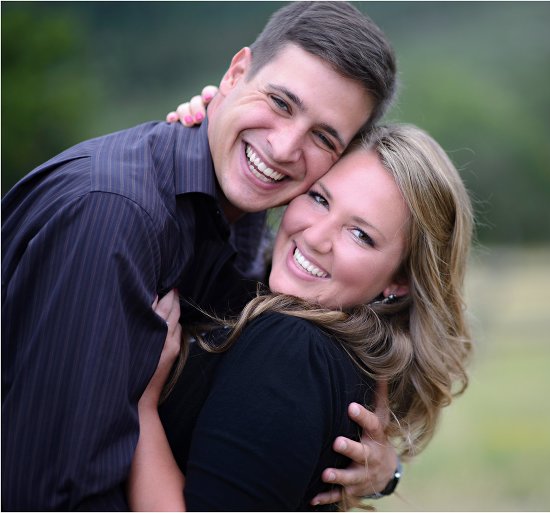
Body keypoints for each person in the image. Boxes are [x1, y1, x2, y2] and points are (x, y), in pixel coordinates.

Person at [1, 3, 399, 510]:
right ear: (235, 74)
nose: (282, 147)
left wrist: (385, 468)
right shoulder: (112, 216)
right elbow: (52, 493)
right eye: (279, 102)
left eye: (323, 137)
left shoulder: (248, 217)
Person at [127, 123, 474, 511]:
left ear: (401, 281)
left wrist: (142, 406)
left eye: (360, 234)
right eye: (320, 199)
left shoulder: (289, 348)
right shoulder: (331, 347)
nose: (314, 236)